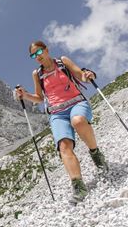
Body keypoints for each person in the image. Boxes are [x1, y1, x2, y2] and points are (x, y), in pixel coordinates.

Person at [15, 41, 108, 204]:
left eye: (39, 52)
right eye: (33, 55)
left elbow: (80, 75)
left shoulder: (62, 61)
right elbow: (39, 98)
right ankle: (78, 186)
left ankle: (95, 153)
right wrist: (25, 95)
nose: (37, 57)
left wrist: (88, 75)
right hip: (56, 113)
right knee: (63, 146)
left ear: (46, 50)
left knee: (78, 121)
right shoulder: (37, 74)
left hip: (77, 103)